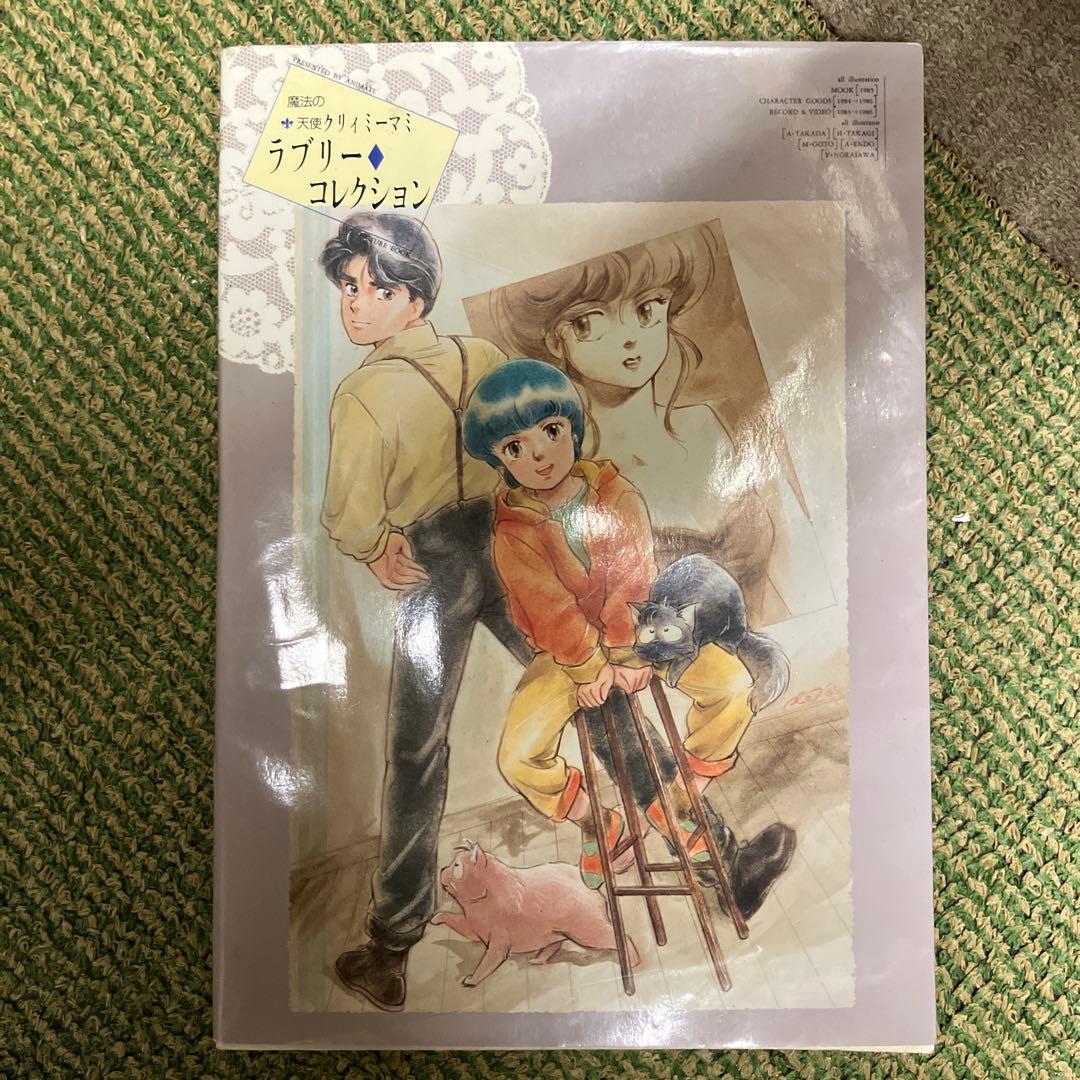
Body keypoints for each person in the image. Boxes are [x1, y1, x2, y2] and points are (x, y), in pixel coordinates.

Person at [462, 359, 794, 906]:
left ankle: (682, 797)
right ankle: (599, 823)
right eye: (515, 447)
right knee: (517, 755)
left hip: (643, 633)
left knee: (732, 686)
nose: (539, 455)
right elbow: (549, 609)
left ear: (573, 429)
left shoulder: (616, 495)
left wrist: (628, 653)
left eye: (550, 431)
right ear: (499, 460)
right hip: (568, 657)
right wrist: (591, 667)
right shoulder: (511, 532)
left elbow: (632, 577)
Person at [319, 212, 533, 1012]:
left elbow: (348, 515)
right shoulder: (485, 358)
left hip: (437, 565)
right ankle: (711, 844)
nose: (357, 302)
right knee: (591, 679)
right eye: (349, 286)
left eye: (378, 287)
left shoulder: (362, 393)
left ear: (416, 296)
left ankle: (390, 950)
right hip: (509, 540)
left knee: (416, 753)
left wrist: (376, 547)